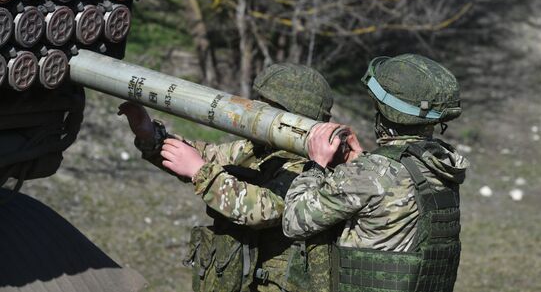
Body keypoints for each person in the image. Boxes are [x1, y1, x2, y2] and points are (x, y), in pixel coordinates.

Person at [118, 63, 335, 292]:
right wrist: (151, 136)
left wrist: (200, 172)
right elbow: (204, 156)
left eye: (269, 107)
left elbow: (263, 209)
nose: (256, 112)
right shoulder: (254, 149)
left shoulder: (311, 169)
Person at [283, 54, 469, 292]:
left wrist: (315, 164)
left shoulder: (370, 175)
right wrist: (361, 161)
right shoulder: (440, 163)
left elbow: (293, 222)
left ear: (383, 112)